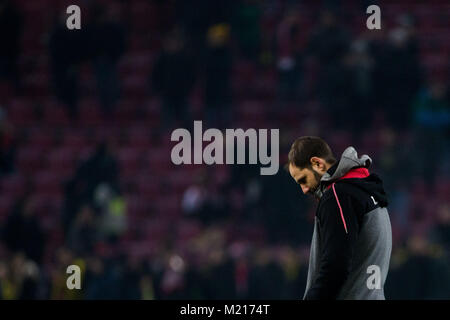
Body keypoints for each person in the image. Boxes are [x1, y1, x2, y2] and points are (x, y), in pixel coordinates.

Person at [285, 136, 392, 299]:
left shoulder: (338, 196)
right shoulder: (369, 193)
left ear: (318, 164)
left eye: (303, 179)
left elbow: (336, 267)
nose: (304, 190)